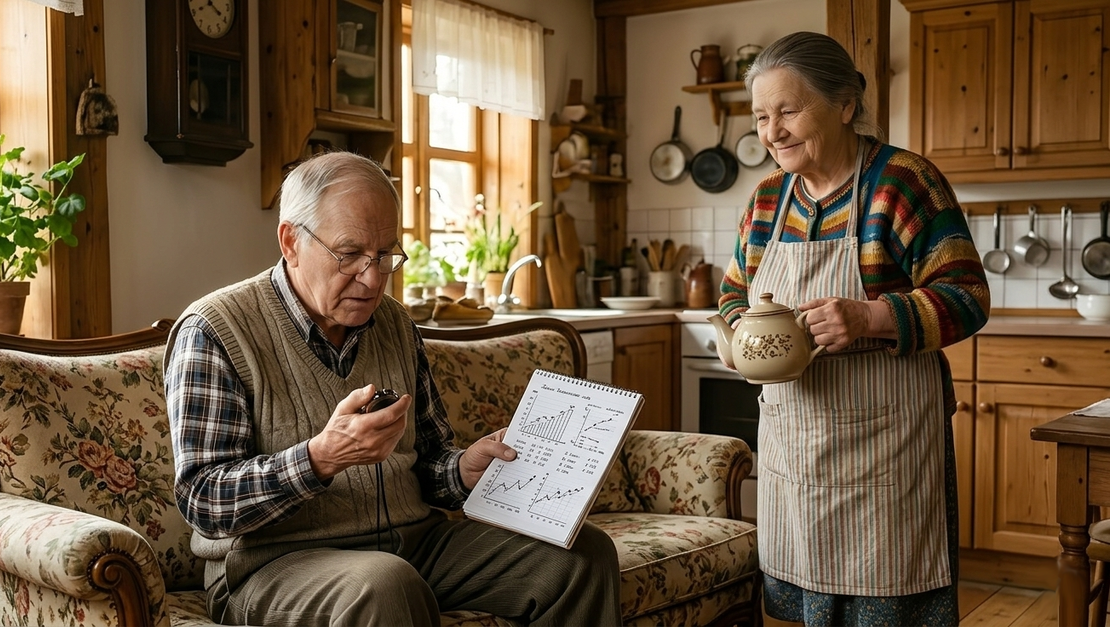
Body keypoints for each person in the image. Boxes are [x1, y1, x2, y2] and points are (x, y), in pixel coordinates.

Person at [164, 151, 620, 626]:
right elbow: (203, 501)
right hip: (271, 565)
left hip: (414, 544)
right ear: (291, 242)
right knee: (385, 584)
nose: (373, 278)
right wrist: (320, 458)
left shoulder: (395, 323)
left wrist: (465, 469)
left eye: (385, 256)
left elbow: (428, 462)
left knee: (580, 556)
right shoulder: (216, 330)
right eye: (350, 255)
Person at [719, 32, 990, 626]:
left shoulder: (902, 182)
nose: (773, 132)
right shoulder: (767, 200)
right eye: (761, 117)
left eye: (788, 111)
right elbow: (733, 294)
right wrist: (743, 339)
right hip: (795, 440)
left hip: (886, 446)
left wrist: (870, 316)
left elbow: (967, 297)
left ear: (844, 104)